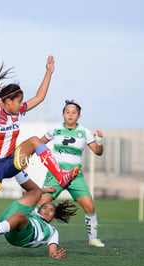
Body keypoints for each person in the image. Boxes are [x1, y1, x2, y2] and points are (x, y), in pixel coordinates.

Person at [0, 56, 80, 260]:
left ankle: (60, 176)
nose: (21, 106)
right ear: (6, 101)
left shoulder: (18, 111)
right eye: (17, 102)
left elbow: (40, 97)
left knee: (35, 140)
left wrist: (49, 72)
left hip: (11, 160)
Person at [37, 99, 105, 248]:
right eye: (67, 112)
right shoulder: (54, 129)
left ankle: (93, 239)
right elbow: (39, 143)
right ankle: (37, 234)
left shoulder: (84, 132)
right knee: (41, 204)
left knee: (89, 206)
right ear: (63, 115)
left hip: (75, 175)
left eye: (73, 113)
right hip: (56, 173)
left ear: (78, 116)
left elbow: (98, 152)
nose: (70, 115)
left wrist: (99, 141)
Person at [0, 185, 78, 258]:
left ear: (53, 218)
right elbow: (27, 194)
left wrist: (54, 254)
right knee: (24, 205)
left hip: (27, 236)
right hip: (11, 226)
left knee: (21, 215)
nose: (47, 210)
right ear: (39, 209)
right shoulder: (34, 211)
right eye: (45, 207)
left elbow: (52, 251)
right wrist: (44, 190)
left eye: (51, 210)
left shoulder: (53, 231)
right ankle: (18, 170)